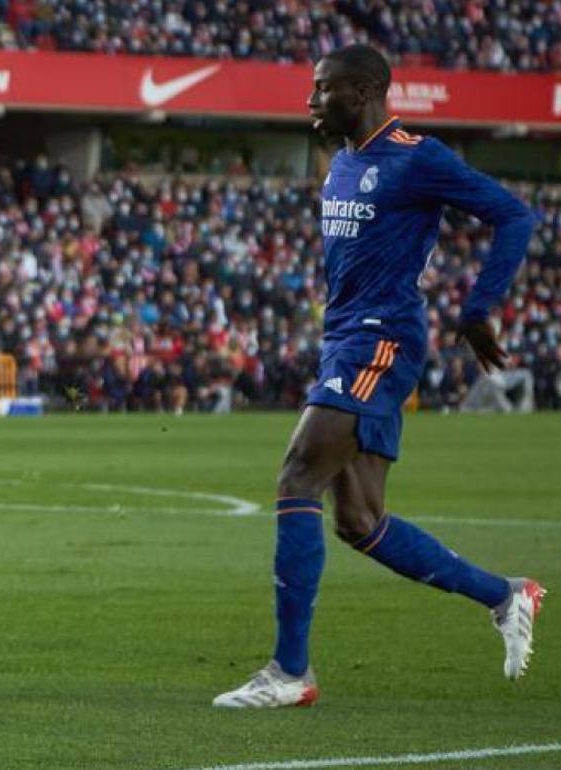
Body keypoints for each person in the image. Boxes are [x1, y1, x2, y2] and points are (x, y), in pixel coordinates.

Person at [213, 45, 542, 709]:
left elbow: (514, 213)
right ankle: (505, 594)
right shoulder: (342, 164)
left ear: (364, 91)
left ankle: (290, 672)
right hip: (346, 344)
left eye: (322, 89)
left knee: (297, 476)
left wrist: (478, 307)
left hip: (381, 343)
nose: (310, 101)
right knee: (359, 520)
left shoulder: (417, 156)